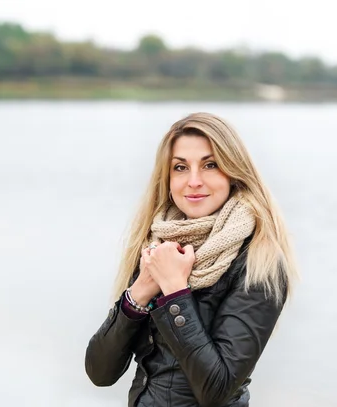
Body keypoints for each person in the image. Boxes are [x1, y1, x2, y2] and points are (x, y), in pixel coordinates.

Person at [84, 112, 299, 407]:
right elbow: (100, 372)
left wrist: (174, 290)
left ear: (234, 172)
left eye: (210, 165)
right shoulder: (157, 247)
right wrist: (139, 293)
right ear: (167, 178)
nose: (194, 181)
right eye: (180, 167)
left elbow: (217, 390)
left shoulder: (260, 262)